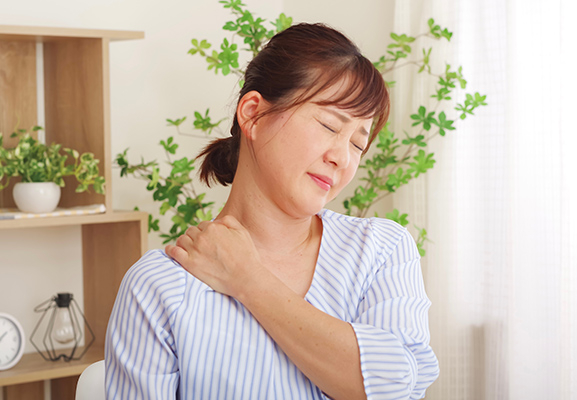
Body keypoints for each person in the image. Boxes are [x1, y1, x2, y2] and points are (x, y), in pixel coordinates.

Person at [105, 23, 439, 400]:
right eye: (329, 125)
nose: (343, 158)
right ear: (253, 115)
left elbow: (394, 386)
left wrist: (249, 280)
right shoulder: (160, 285)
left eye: (358, 145)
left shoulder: (380, 251)